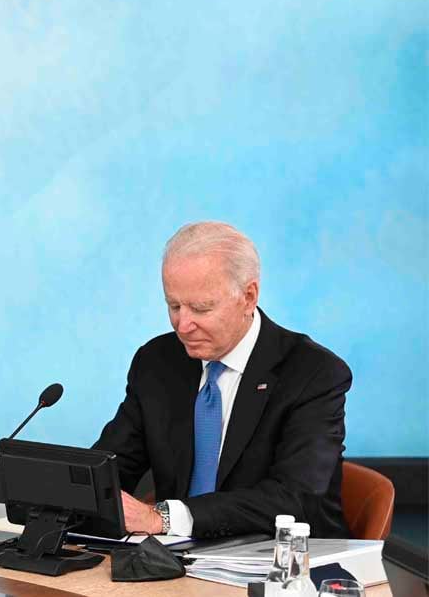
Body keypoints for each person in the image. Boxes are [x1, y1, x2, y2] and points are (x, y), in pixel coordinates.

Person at [93, 221, 351, 539]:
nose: (182, 325)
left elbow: (296, 498)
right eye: (173, 306)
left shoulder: (313, 373)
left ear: (248, 296)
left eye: (201, 308)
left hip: (283, 565)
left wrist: (163, 518)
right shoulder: (157, 361)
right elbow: (112, 467)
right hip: (176, 564)